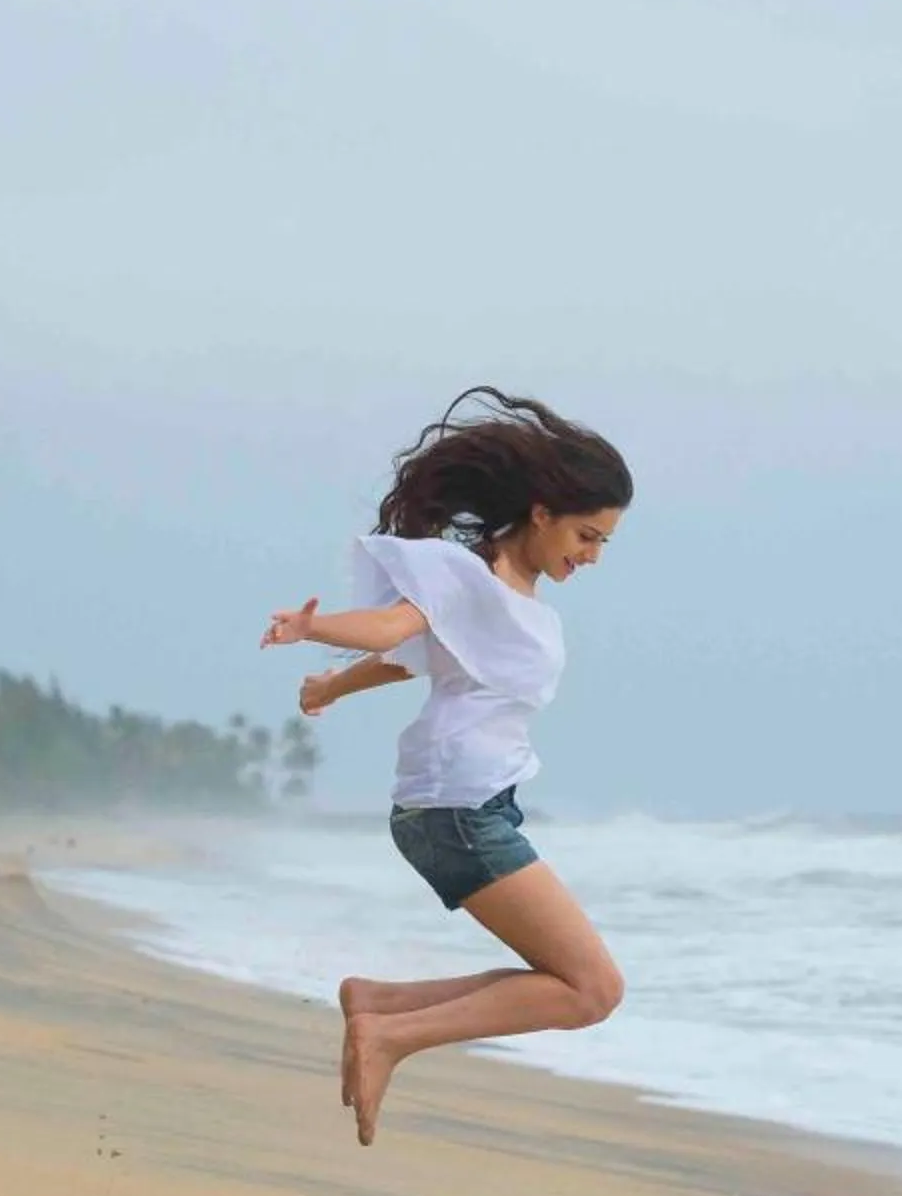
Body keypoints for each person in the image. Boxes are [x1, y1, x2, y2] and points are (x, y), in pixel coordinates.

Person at [260, 387, 633, 1145]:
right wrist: (314, 629)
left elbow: (412, 662)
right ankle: (393, 1035)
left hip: (475, 807)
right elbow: (394, 626)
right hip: (455, 809)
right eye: (586, 536)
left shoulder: (516, 603)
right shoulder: (459, 575)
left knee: (569, 982)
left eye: (603, 545)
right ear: (542, 511)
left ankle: (381, 1004)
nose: (591, 557)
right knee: (593, 989)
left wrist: (333, 684)